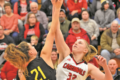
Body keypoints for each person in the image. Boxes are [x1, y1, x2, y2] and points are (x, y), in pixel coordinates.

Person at [4, 0, 63, 80]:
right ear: (30, 52)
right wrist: (57, 7)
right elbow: (52, 31)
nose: (33, 46)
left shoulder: (23, 75)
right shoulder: (44, 56)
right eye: (31, 46)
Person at [54, 1, 113, 80]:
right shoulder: (65, 54)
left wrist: (105, 66)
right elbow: (57, 31)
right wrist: (56, 8)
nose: (76, 43)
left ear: (85, 50)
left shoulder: (88, 67)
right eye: (76, 42)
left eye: (80, 43)